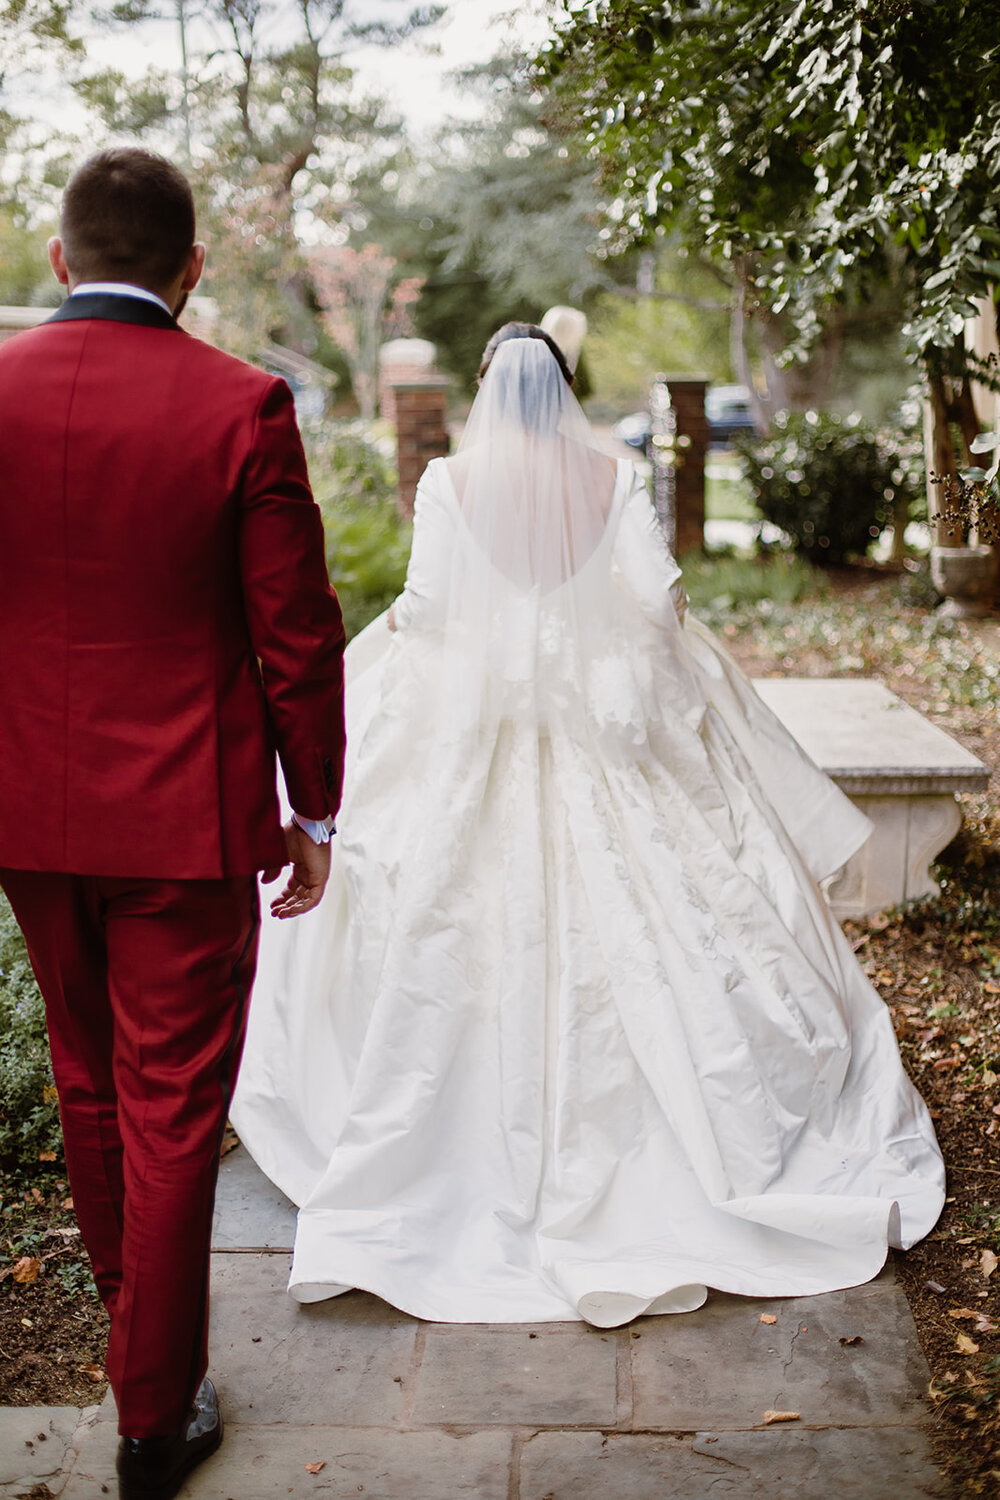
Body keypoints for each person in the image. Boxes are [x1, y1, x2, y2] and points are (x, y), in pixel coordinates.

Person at [232, 321, 944, 1329]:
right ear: (565, 389)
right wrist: (600, 650)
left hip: (481, 726)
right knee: (683, 902)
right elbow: (657, 601)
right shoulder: (609, 479)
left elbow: (431, 608)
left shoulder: (448, 481)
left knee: (436, 896)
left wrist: (455, 640)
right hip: (600, 722)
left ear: (484, 389)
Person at [0, 148, 346, 1500]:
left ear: (60, 260)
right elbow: (298, 637)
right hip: (186, 826)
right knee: (171, 1103)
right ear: (192, 268)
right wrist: (313, 806)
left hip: (28, 814)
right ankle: (155, 1411)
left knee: (90, 1079)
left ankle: (136, 1343)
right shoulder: (241, 404)